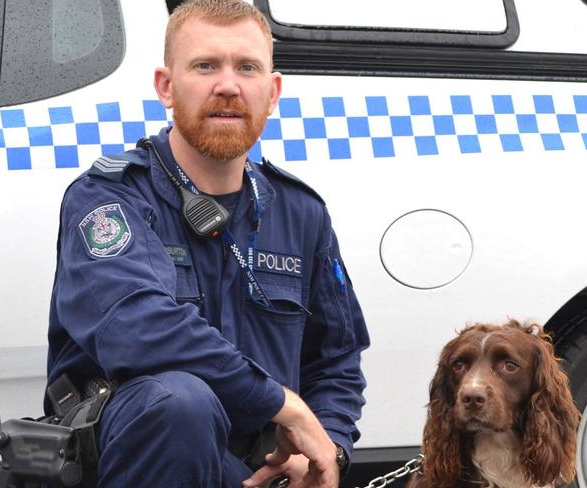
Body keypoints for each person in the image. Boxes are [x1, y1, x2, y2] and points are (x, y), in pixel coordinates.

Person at [44, 0, 370, 487]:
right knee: (180, 404)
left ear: (273, 90)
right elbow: (139, 328)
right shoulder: (109, 198)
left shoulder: (301, 213)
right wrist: (285, 407)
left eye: (247, 67)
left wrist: (327, 445)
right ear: (166, 87)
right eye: (205, 65)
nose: (228, 85)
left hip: (264, 472)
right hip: (145, 460)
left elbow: (336, 360)